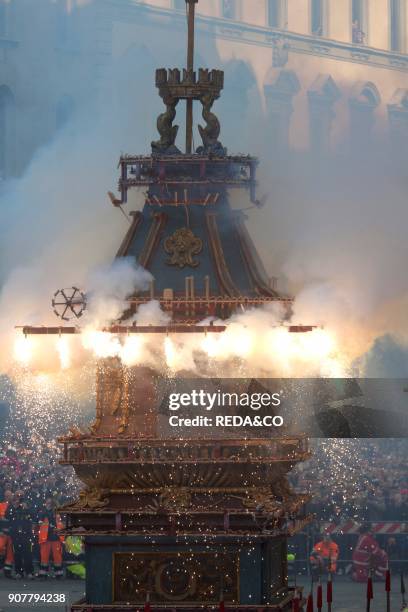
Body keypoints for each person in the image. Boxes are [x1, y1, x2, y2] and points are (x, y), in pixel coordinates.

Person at [4, 494, 34, 579]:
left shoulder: (27, 507)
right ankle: (18, 572)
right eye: (15, 499)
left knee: (28, 554)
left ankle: (29, 572)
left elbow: (33, 515)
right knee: (17, 554)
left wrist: (26, 508)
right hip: (15, 534)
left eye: (19, 499)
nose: (17, 501)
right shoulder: (11, 508)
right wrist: (14, 507)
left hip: (27, 534)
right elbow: (7, 516)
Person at [38, 498, 64, 579]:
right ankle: (43, 574)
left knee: (57, 557)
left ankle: (58, 574)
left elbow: (61, 523)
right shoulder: (43, 512)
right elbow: (39, 521)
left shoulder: (58, 513)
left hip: (56, 538)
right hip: (46, 538)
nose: (48, 504)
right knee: (44, 557)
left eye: (50, 503)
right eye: (47, 503)